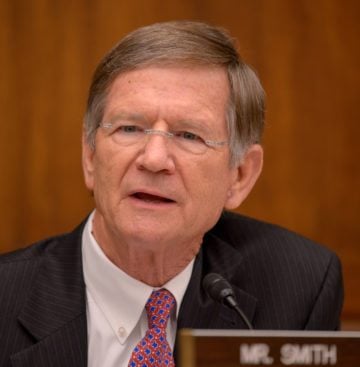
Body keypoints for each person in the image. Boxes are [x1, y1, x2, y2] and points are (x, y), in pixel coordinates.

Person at [0, 20, 343, 367]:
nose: (153, 159)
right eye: (129, 128)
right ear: (90, 156)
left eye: (189, 135)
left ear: (239, 176)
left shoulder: (296, 289)